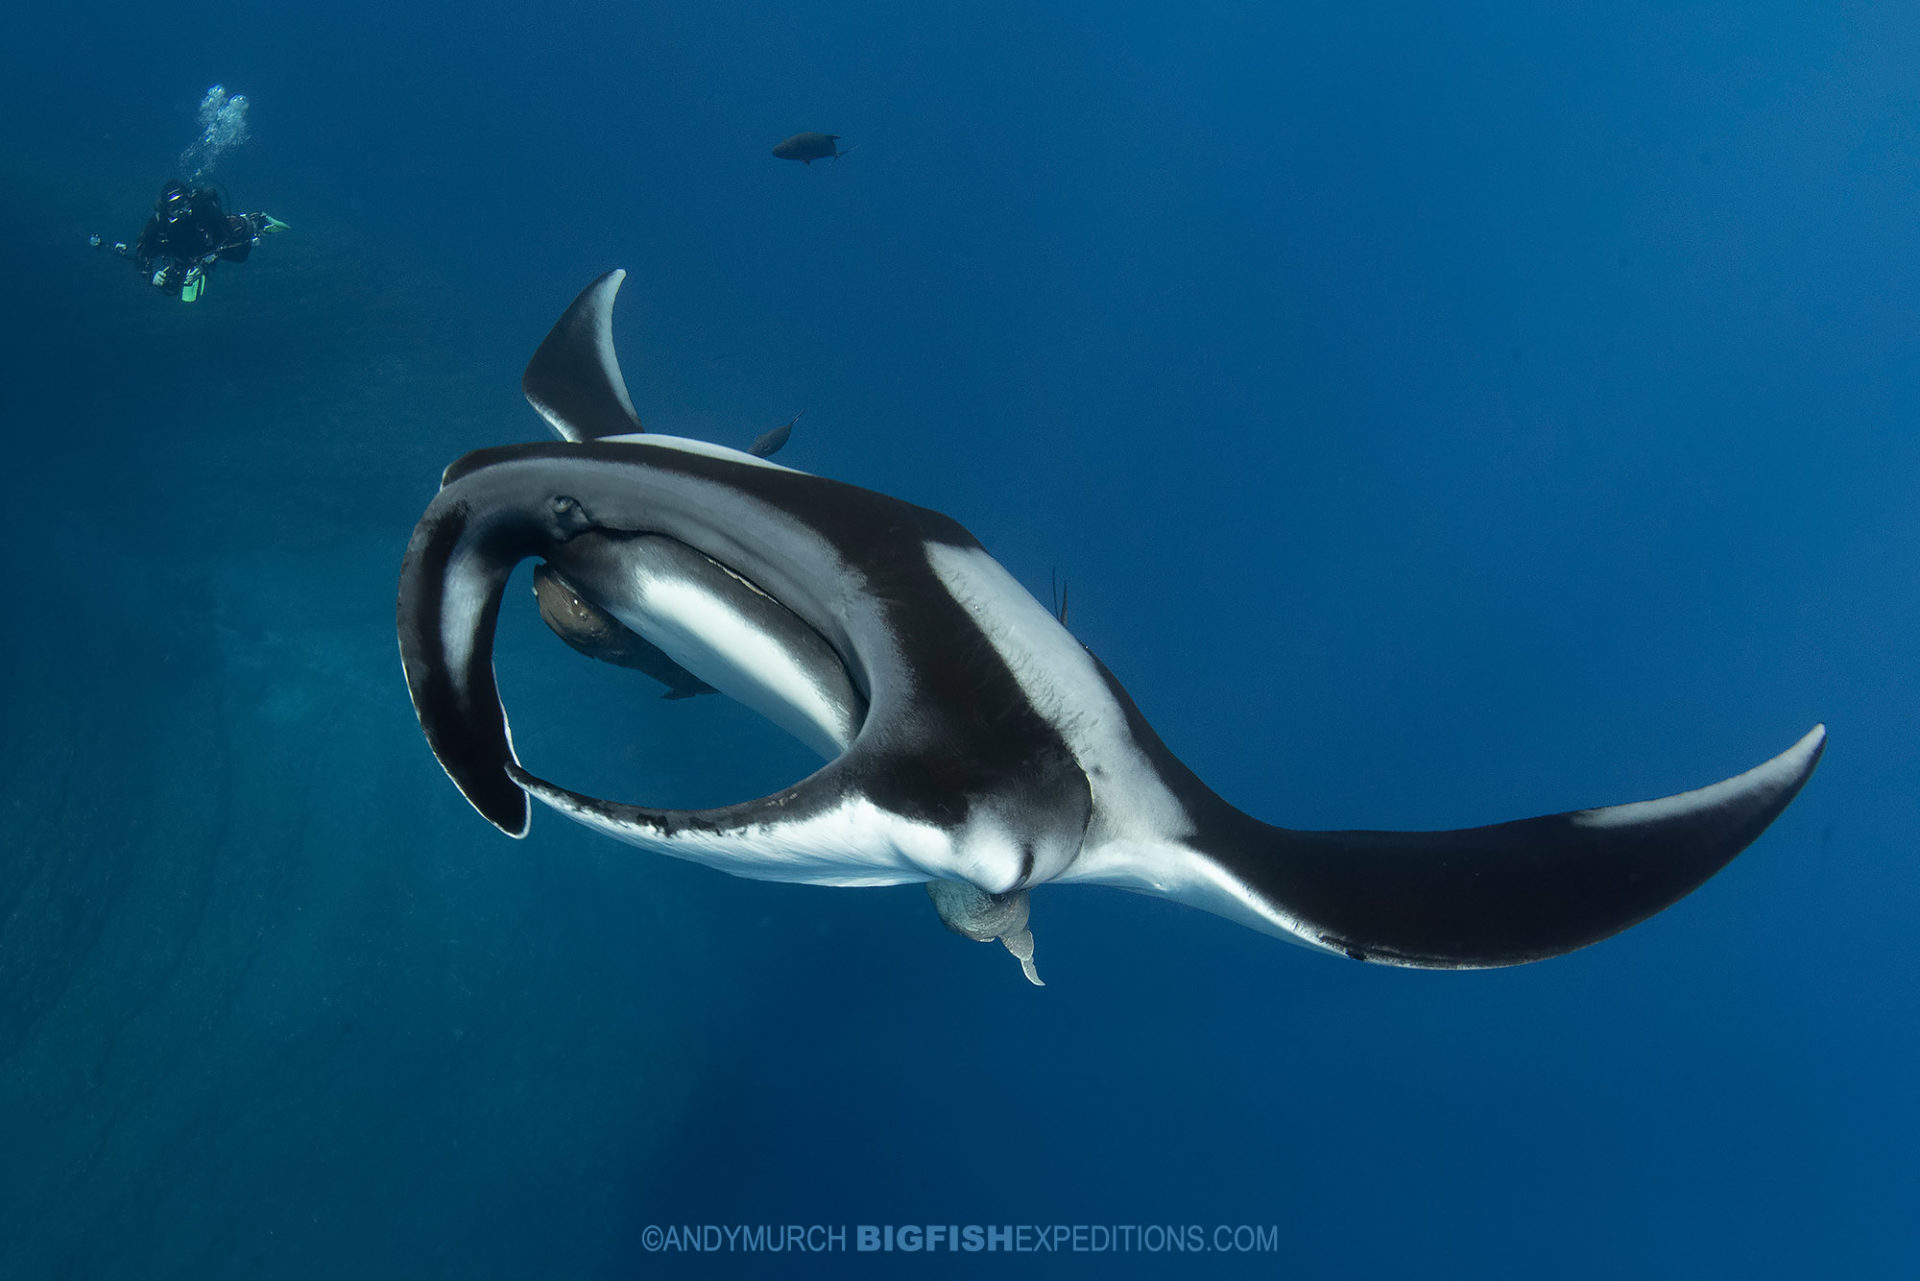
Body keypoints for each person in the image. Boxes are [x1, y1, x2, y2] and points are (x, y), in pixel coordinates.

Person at [101, 180, 287, 302]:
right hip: (186, 254)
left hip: (211, 243)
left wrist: (207, 263)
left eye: (183, 204)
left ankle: (256, 220)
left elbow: (223, 233)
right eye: (174, 207)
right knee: (169, 289)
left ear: (189, 201)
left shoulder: (203, 209)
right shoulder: (158, 223)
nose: (180, 210)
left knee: (239, 251)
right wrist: (151, 275)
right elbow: (141, 252)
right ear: (166, 209)